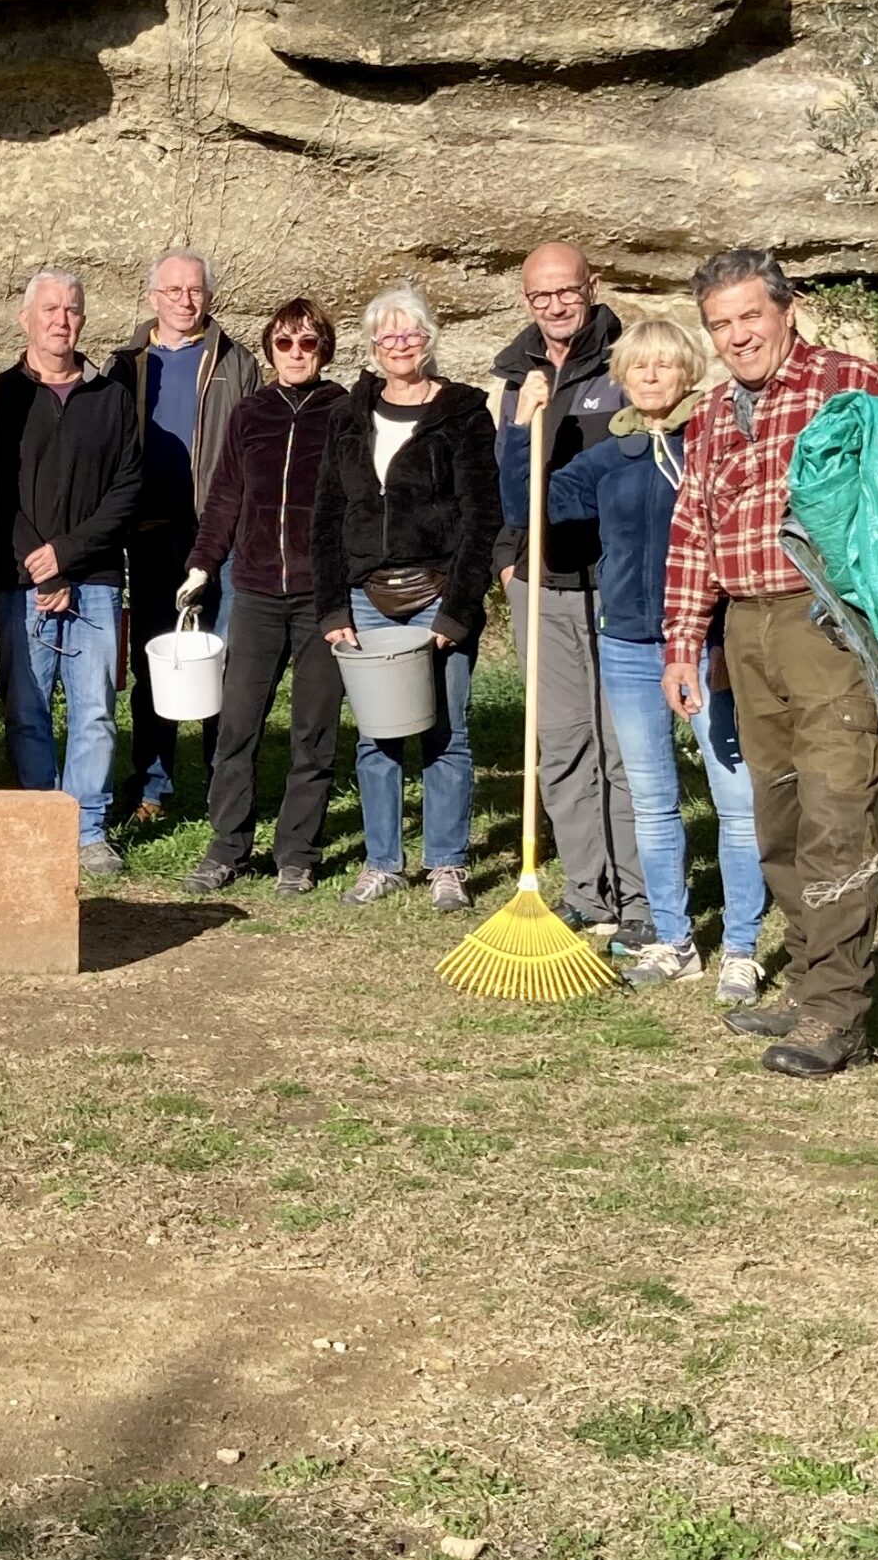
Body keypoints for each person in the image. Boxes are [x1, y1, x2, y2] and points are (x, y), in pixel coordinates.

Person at [666, 249, 878, 1077]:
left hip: (832, 629)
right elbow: (692, 533)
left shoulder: (848, 383)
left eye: (750, 316)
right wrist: (683, 641)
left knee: (836, 816)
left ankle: (835, 1016)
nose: (738, 336)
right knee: (778, 821)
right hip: (748, 632)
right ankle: (814, 980)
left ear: (787, 309)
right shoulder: (711, 414)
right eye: (720, 324)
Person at [508, 316, 766, 1000]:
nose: (652, 377)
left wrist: (727, 634)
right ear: (621, 378)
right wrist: (518, 432)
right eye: (639, 367)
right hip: (625, 642)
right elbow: (529, 508)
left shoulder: (711, 444)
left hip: (709, 641)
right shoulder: (606, 460)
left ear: (689, 373)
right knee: (652, 801)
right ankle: (674, 940)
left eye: (666, 366)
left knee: (734, 800)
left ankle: (741, 945)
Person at [315, 286, 500, 912]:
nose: (400, 345)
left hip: (437, 591)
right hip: (366, 595)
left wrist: (460, 608)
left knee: (447, 731)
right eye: (387, 336)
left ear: (429, 338)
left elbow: (482, 518)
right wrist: (332, 608)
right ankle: (382, 862)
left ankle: (446, 864)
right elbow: (327, 514)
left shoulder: (465, 413)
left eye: (411, 333)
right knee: (376, 735)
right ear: (372, 345)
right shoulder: (348, 415)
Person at [491, 243, 650, 947]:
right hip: (541, 585)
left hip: (615, 587)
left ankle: (643, 897)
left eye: (566, 291)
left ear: (592, 287)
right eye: (540, 295)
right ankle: (588, 892)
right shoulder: (514, 379)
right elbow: (506, 487)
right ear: (526, 301)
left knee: (623, 749)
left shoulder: (626, 362)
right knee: (561, 746)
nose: (555, 305)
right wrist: (508, 558)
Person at [176, 301, 348, 896]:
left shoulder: (345, 412)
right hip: (252, 592)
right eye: (283, 343)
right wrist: (203, 563)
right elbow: (224, 496)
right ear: (269, 349)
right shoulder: (250, 414)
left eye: (306, 343)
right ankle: (226, 846)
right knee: (236, 726)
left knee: (313, 730)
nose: (295, 354)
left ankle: (297, 853)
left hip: (321, 596)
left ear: (323, 349)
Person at [0, 269, 147, 879]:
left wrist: (69, 555)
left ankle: (87, 831)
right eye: (50, 309)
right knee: (26, 707)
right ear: (26, 318)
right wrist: (38, 562)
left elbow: (127, 490)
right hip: (21, 583)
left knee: (95, 711)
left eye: (72, 310)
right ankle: (37, 822)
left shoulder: (111, 400)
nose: (62, 319)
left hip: (97, 581)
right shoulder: (0, 396)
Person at [111, 251, 262, 826]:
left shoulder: (237, 363)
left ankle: (223, 790)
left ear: (208, 296)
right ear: (153, 297)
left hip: (218, 537)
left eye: (194, 290)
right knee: (159, 663)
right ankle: (151, 789)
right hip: (150, 537)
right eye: (172, 290)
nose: (184, 300)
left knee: (222, 662)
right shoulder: (127, 364)